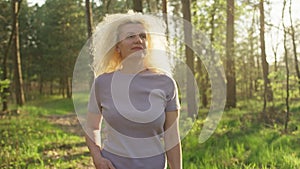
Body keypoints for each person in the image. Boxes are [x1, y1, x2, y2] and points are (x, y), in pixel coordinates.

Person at [85, 12, 182, 169]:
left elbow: (172, 137)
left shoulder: (165, 83)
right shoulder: (102, 83)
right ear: (117, 46)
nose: (138, 40)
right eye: (130, 36)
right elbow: (92, 127)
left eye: (143, 36)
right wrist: (97, 158)